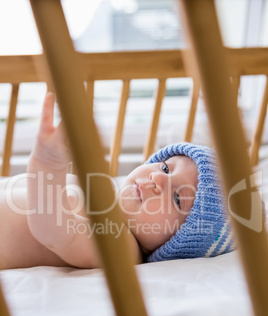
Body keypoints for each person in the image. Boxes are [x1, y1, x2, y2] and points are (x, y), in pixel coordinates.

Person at [0, 93, 234, 270]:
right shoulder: (105, 193)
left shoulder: (123, 245)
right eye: (166, 167)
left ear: (176, 242)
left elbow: (53, 231)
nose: (158, 178)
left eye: (177, 198)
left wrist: (47, 164)